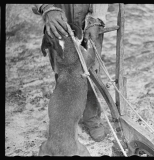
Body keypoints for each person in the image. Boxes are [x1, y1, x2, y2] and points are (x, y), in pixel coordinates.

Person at [32, 4, 109, 142]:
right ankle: (67, 120)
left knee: (90, 74)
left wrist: (97, 18)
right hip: (57, 16)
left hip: (87, 15)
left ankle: (92, 117)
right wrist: (46, 8)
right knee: (63, 75)